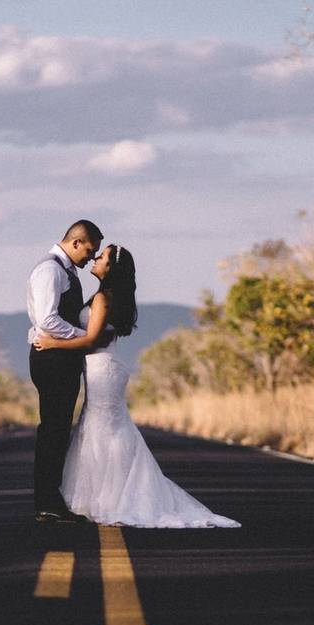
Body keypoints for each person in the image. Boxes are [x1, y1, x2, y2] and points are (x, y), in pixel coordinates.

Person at [34, 244, 241, 528]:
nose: (96, 258)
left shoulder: (102, 300)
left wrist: (52, 342)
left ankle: (113, 498)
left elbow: (93, 340)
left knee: (104, 429)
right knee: (100, 428)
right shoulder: (103, 297)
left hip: (102, 369)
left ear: (111, 268)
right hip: (101, 367)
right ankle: (102, 495)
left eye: (102, 256)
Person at [26, 220, 102, 524]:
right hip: (52, 359)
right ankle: (46, 502)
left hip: (60, 358)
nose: (90, 258)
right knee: (53, 430)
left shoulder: (64, 270)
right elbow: (47, 320)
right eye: (89, 250)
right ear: (76, 242)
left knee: (58, 431)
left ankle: (51, 499)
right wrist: (82, 338)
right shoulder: (51, 270)